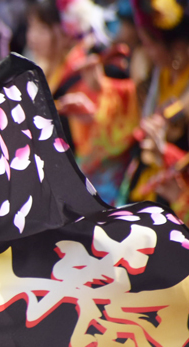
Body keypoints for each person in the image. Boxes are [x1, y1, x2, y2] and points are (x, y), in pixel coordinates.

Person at [26, 0, 139, 206]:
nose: (31, 37)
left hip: (95, 188)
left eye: (41, 28)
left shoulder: (81, 73)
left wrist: (92, 115)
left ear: (65, 31)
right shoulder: (50, 68)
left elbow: (99, 142)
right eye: (30, 27)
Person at [124, 0, 189, 221]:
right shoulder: (160, 74)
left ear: (177, 48)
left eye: (150, 44)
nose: (146, 51)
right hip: (151, 191)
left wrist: (164, 152)